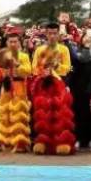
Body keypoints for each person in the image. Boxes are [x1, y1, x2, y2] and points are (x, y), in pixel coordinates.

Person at [31, 22, 76, 155]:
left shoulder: (64, 49)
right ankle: (43, 142)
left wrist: (56, 68)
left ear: (58, 34)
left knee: (61, 114)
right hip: (43, 84)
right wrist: (43, 71)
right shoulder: (39, 50)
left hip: (59, 83)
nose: (52, 36)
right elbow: (34, 68)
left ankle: (61, 142)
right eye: (49, 33)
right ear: (45, 34)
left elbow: (69, 68)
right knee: (42, 113)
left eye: (54, 33)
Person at [0, 30, 32, 152]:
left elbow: (29, 71)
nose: (13, 44)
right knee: (4, 113)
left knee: (19, 113)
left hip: (19, 85)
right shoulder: (2, 55)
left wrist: (17, 65)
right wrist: (1, 72)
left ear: (19, 42)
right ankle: (4, 140)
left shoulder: (24, 56)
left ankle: (19, 141)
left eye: (15, 41)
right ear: (7, 43)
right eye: (11, 41)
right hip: (6, 86)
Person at [70, 31, 91, 151]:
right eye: (85, 38)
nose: (88, 40)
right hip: (78, 90)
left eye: (90, 38)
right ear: (81, 40)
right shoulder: (76, 55)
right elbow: (71, 69)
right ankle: (79, 139)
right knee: (78, 115)